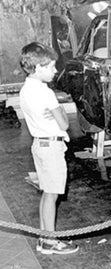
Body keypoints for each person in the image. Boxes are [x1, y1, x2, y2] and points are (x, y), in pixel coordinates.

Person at [19, 42, 78, 255]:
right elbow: (64, 125)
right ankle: (51, 242)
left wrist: (55, 112)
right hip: (51, 147)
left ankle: (45, 238)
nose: (54, 71)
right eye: (51, 67)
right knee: (52, 195)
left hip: (39, 144)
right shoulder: (46, 93)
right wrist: (60, 110)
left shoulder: (26, 89)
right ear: (39, 68)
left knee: (47, 194)